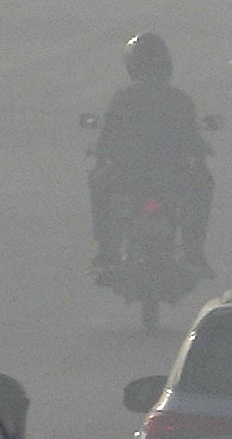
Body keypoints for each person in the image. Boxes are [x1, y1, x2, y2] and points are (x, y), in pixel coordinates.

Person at [89, 33, 212, 293]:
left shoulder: (124, 97)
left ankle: (106, 250)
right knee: (204, 184)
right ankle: (194, 248)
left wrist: (101, 154)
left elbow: (107, 138)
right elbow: (194, 141)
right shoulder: (179, 98)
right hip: (172, 177)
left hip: (130, 176)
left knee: (98, 182)